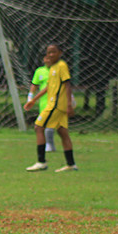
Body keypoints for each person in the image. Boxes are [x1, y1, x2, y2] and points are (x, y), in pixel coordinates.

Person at [23, 43, 78, 172]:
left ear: (60, 53)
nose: (51, 54)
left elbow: (67, 84)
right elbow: (49, 87)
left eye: (53, 52)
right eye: (49, 52)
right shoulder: (52, 68)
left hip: (56, 105)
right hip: (55, 105)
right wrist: (34, 100)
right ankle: (71, 164)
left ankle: (41, 162)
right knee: (63, 132)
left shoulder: (61, 66)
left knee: (38, 127)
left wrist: (69, 104)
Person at [28, 62, 56, 152]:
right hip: (43, 102)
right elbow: (34, 84)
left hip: (56, 101)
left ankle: (49, 145)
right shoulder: (40, 71)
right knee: (43, 124)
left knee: (47, 123)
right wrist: (30, 97)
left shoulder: (58, 70)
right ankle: (49, 145)